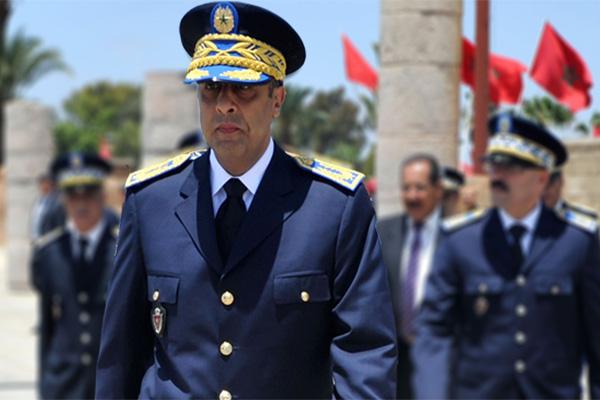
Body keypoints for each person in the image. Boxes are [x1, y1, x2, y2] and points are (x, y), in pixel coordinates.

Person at [95, 2, 397, 399]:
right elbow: (121, 355)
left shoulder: (333, 206)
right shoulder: (151, 201)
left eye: (243, 88)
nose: (224, 104)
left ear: (277, 100)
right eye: (210, 89)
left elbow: (365, 354)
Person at [412, 113, 600, 399]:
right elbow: (434, 333)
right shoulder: (460, 241)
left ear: (541, 178)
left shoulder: (577, 242)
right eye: (494, 165)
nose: (497, 176)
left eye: (511, 167)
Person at [31, 152, 119, 399]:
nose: (81, 204)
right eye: (73, 196)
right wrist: (45, 382)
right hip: (63, 382)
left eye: (88, 195)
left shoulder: (122, 250)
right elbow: (47, 323)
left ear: (102, 197)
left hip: (108, 380)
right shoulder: (49, 252)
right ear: (63, 200)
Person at [378, 153, 443, 399]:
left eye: (420, 188)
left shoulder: (457, 236)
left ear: (438, 189)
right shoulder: (383, 231)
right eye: (406, 188)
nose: (412, 196)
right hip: (395, 363)